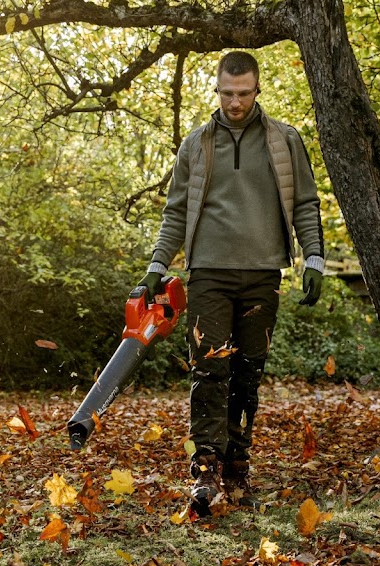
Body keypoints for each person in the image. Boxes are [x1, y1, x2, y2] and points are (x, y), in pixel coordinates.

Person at [138, 51, 325, 515]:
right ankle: (204, 474)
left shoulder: (284, 140)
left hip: (263, 274)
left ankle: (238, 472)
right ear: (217, 90)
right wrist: (157, 265)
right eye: (227, 93)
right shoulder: (197, 144)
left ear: (257, 90)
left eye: (243, 94)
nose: (235, 102)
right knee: (209, 371)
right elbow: (176, 212)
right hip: (208, 274)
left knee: (246, 375)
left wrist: (314, 258)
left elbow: (305, 202)